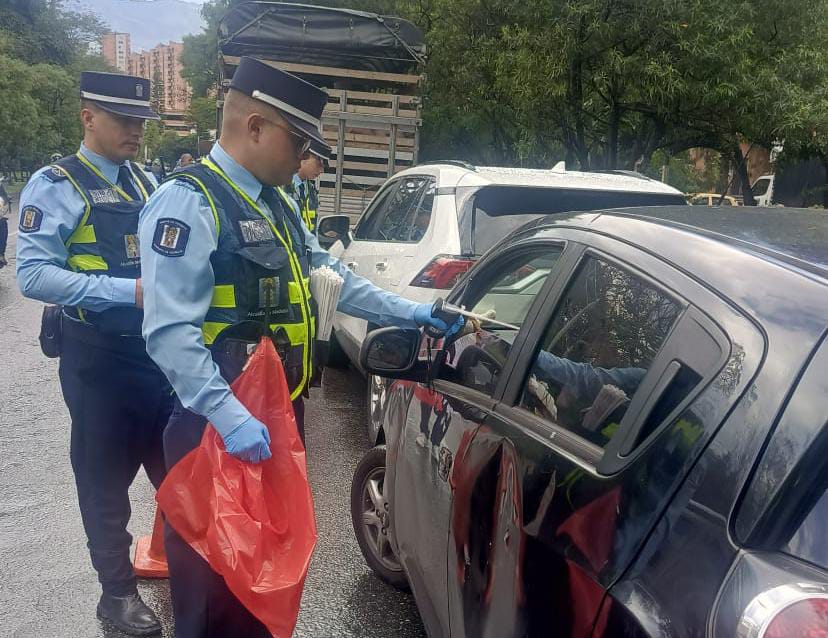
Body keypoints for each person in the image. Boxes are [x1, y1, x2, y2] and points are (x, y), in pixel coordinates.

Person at [138, 56, 461, 638]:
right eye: (299, 141)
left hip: (277, 418)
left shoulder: (277, 202)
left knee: (266, 579)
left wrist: (414, 311)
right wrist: (230, 416)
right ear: (256, 126)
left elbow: (331, 275)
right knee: (214, 592)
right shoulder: (190, 203)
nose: (303, 158)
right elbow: (170, 334)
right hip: (214, 426)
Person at [16, 71, 169, 636]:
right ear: (88, 117)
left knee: (178, 472)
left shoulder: (145, 181)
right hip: (97, 355)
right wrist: (125, 291)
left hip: (156, 353)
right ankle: (116, 594)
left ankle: (180, 562)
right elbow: (33, 275)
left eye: (140, 121)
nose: (135, 130)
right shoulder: (56, 184)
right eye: (123, 119)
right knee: (103, 482)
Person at [286, 139, 328, 231]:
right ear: (304, 156)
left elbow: (312, 225)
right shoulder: (278, 187)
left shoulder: (311, 190)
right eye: (319, 163)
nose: (321, 171)